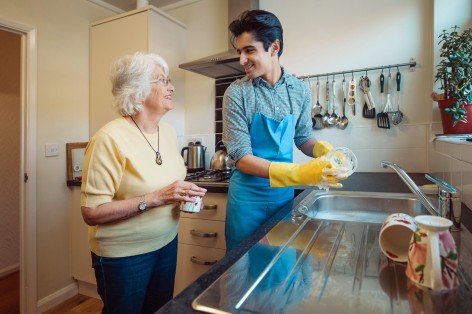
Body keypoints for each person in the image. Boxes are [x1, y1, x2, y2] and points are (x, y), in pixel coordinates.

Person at [80, 51, 207, 314]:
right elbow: (91, 213)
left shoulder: (169, 132)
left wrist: (181, 196)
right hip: (124, 256)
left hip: (166, 243)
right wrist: (156, 198)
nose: (171, 86)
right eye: (161, 80)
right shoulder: (109, 138)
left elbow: (166, 184)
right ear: (137, 91)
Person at [223, 10, 348, 250]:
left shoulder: (299, 90)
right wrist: (299, 173)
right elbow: (241, 158)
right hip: (247, 202)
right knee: (243, 270)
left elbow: (302, 137)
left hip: (282, 199)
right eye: (240, 52)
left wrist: (323, 150)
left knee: (279, 265)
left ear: (274, 47)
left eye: (249, 50)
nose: (242, 60)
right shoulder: (237, 93)